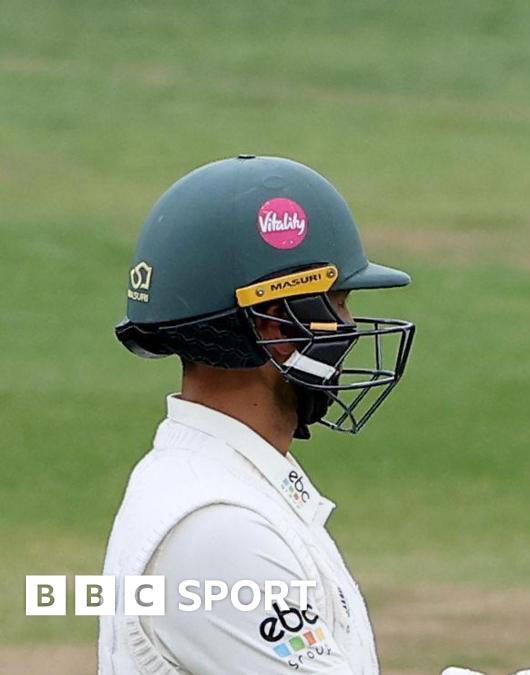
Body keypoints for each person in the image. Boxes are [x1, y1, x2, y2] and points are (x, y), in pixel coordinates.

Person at [99, 155, 416, 674]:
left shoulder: (222, 488)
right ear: (275, 325)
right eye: (338, 303)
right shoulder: (216, 531)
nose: (352, 327)